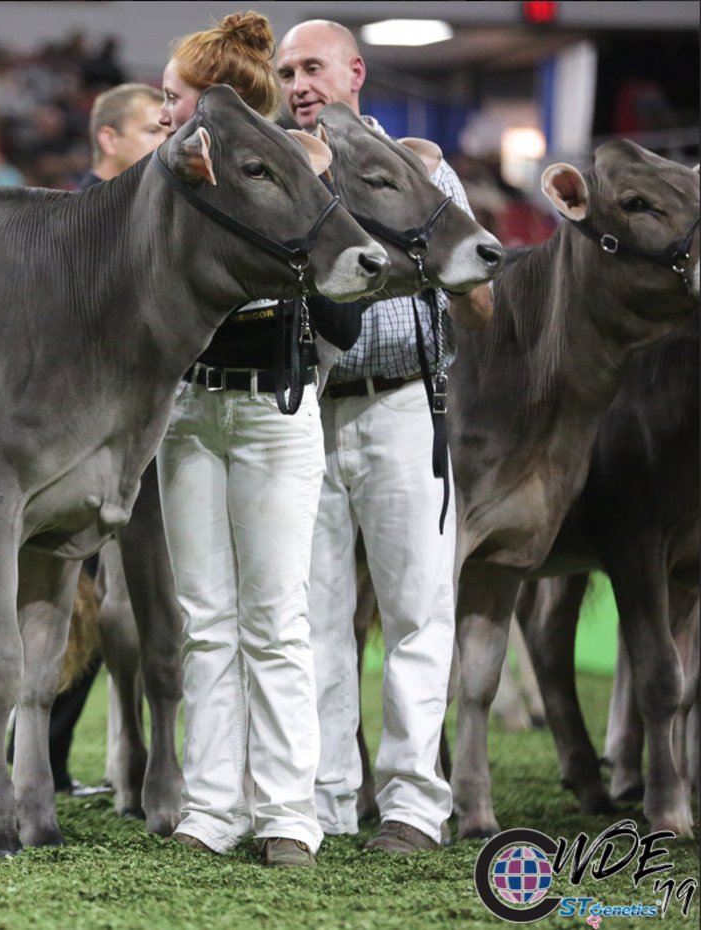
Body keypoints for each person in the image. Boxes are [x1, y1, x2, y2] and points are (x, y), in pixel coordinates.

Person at [275, 19, 492, 854]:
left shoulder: (424, 169)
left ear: (355, 72)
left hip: (407, 407)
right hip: (307, 411)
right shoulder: (282, 175)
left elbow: (482, 308)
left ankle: (410, 806)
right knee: (315, 620)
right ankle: (329, 801)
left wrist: (438, 256)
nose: (299, 84)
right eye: (288, 71)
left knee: (416, 614)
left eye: (313, 67)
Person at [156, 12, 325, 868]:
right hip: (188, 412)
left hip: (272, 413)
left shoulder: (284, 176)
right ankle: (212, 810)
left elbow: (340, 304)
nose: (161, 115)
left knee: (274, 621)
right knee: (206, 623)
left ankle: (290, 812)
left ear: (215, 108)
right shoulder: (167, 189)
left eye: (171, 99)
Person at [9, 82, 165, 795]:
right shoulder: (65, 221)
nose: (166, 142)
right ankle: (35, 758)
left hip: (133, 442)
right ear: (108, 139)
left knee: (109, 610)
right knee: (76, 606)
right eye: (153, 130)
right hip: (71, 448)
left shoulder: (153, 220)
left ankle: (80, 763)